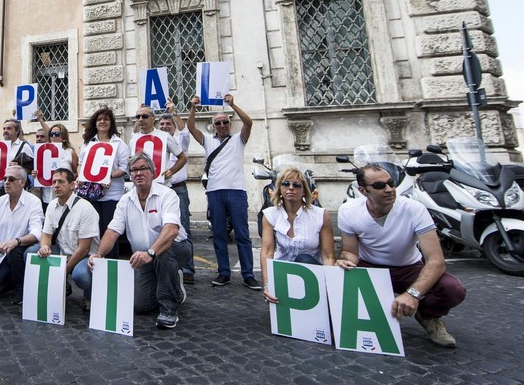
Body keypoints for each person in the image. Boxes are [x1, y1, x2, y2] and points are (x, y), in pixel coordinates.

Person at [336, 165, 466, 348]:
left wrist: (413, 294)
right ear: (363, 191)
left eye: (391, 183)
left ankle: (429, 316)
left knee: (453, 289)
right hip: (370, 267)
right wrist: (346, 260)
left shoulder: (414, 209)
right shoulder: (348, 211)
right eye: (380, 186)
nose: (389, 189)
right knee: (336, 277)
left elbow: (436, 261)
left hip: (409, 268)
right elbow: (350, 252)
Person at [88, 152, 192, 329]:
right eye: (134, 170)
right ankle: (175, 286)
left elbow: (171, 230)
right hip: (144, 257)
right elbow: (113, 230)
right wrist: (99, 253)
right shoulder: (125, 200)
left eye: (143, 168)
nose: (138, 173)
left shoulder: (167, 195)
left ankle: (169, 310)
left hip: (176, 248)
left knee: (164, 254)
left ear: (152, 172)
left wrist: (150, 252)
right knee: (141, 305)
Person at [187, 93, 259, 290]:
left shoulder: (238, 140)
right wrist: (193, 107)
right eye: (217, 123)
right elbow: (191, 127)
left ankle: (248, 274)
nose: (221, 126)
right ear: (213, 126)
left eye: (224, 122)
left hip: (236, 191)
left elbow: (249, 122)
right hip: (215, 192)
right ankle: (224, 272)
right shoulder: (208, 141)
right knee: (219, 234)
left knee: (242, 235)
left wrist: (233, 105)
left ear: (229, 124)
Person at [259, 168, 334, 303]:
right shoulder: (270, 214)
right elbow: (267, 251)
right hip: (283, 272)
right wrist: (267, 284)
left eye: (297, 185)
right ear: (280, 189)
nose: (291, 188)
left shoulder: (320, 215)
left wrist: (330, 287)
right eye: (286, 184)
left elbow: (328, 256)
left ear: (304, 190)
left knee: (303, 258)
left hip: (311, 272)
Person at [0, 165, 44, 303]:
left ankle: (21, 288)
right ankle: (9, 279)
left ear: (22, 182)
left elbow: (37, 232)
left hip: (21, 249)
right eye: (4, 179)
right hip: (2, 254)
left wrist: (16, 241)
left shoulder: (33, 202)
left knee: (16, 252)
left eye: (11, 179)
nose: (6, 182)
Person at [37, 168, 100, 309]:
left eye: (61, 181)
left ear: (72, 185)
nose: (56, 185)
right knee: (32, 252)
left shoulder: (85, 208)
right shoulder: (52, 206)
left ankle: (90, 294)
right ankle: (62, 287)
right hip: (62, 252)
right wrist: (45, 246)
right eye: (54, 182)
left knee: (81, 275)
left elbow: (84, 248)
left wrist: (63, 271)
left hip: (84, 257)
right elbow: (46, 234)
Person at [77, 107, 130, 258]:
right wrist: (81, 175)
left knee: (110, 232)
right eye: (99, 119)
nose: (102, 122)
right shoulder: (89, 143)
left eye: (106, 119)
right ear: (95, 123)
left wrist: (108, 176)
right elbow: (81, 163)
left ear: (111, 123)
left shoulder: (119, 144)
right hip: (91, 195)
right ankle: (94, 263)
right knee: (93, 232)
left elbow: (124, 168)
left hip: (111, 195)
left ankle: (110, 266)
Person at [159, 103, 196, 283]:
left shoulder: (181, 140)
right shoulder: (157, 142)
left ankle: (188, 268)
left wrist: (173, 113)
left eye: (168, 125)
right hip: (161, 190)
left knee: (183, 228)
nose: (165, 127)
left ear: (173, 127)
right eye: (162, 125)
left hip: (178, 188)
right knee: (162, 229)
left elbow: (185, 130)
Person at [33, 110, 79, 209]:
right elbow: (39, 170)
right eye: (51, 134)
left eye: (57, 134)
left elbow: (76, 172)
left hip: (65, 195)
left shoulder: (70, 152)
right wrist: (35, 174)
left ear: (63, 137)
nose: (53, 136)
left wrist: (66, 179)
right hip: (47, 195)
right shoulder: (44, 152)